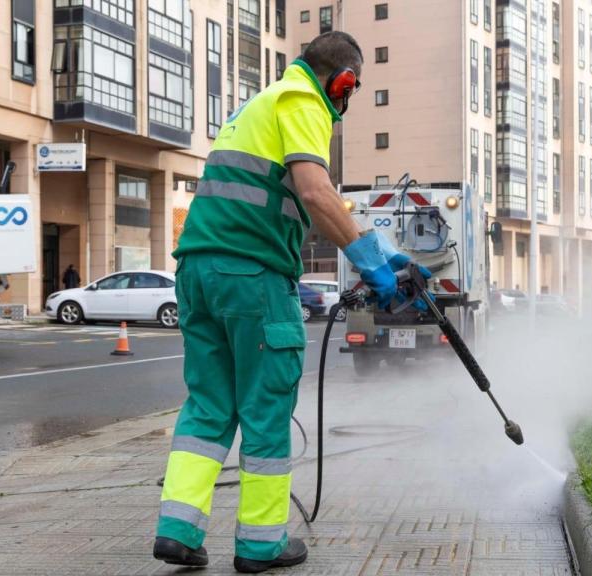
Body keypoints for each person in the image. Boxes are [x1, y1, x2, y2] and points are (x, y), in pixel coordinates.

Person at [152, 31, 429, 574]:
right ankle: (261, 544)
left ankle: (178, 531)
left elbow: (309, 196)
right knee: (265, 406)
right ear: (343, 82)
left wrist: (379, 249)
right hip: (251, 276)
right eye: (348, 96)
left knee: (208, 406)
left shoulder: (257, 106)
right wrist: (371, 265)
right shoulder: (304, 100)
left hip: (199, 272)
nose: (343, 110)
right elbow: (315, 192)